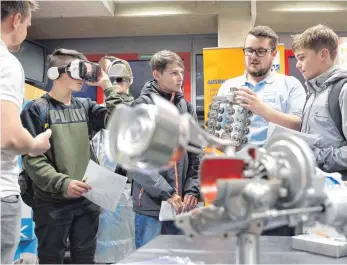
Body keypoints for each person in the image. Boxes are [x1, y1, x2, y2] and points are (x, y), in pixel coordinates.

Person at [20, 48, 133, 264]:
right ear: (55, 73)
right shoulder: (36, 109)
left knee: (85, 258)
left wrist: (107, 85)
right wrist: (63, 184)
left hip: (87, 200)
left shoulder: (85, 107)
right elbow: (33, 159)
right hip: (52, 203)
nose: (82, 78)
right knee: (51, 258)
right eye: (77, 71)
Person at [129, 50, 201, 249]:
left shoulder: (187, 108)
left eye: (181, 73)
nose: (180, 78)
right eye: (174, 73)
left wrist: (192, 190)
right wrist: (167, 193)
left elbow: (196, 154)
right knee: (149, 260)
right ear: (157, 74)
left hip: (182, 207)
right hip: (152, 207)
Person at [0, 1, 51, 264]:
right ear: (16, 19)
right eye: (28, 24)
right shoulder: (6, 64)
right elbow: (8, 136)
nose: (27, 30)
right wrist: (35, 145)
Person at [217, 26, 306, 147]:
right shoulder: (228, 87)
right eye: (249, 50)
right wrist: (227, 145)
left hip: (278, 161)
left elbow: (298, 124)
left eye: (260, 51)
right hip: (239, 162)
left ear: (274, 53)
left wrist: (263, 110)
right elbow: (218, 130)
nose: (253, 57)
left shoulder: (290, 85)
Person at [292, 24, 347, 180]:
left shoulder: (343, 90)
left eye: (302, 57)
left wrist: (317, 157)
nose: (297, 64)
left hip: (340, 191)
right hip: (316, 186)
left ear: (323, 54)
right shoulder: (312, 93)